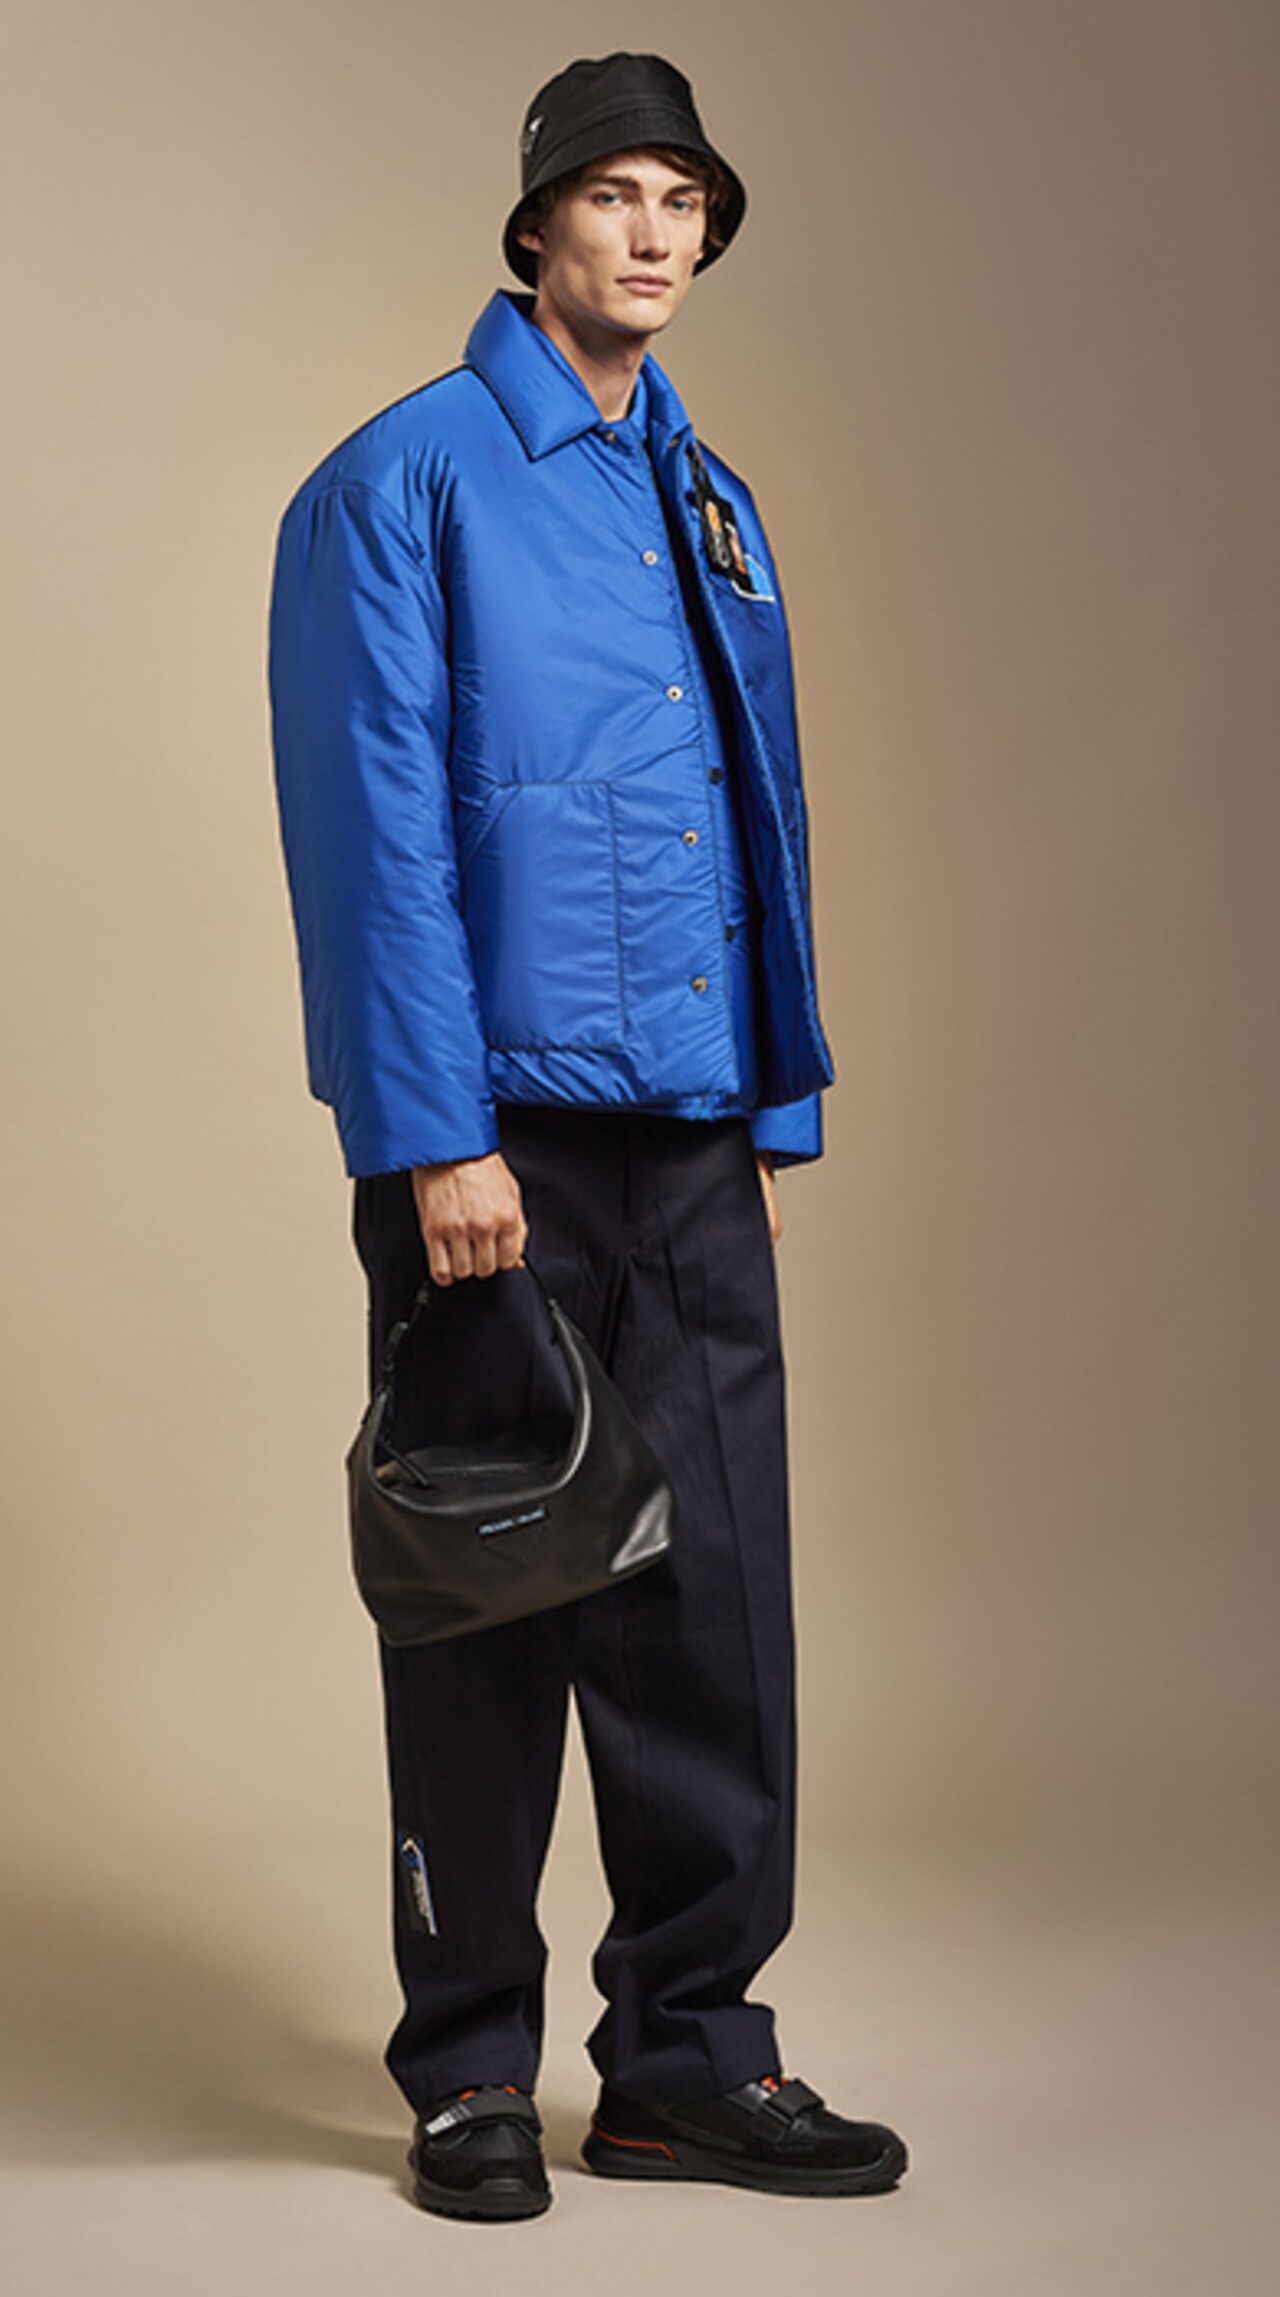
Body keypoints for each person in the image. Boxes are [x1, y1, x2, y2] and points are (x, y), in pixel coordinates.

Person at [268, 50, 908, 2223]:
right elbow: (371, 840)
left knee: (712, 1604)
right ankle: (468, 2070)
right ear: (535, 224)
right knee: (486, 1595)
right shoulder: (400, 483)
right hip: (495, 1147)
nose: (652, 232)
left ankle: (686, 2063)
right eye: (613, 193)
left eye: (683, 200)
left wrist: (772, 1115)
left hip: (695, 1139)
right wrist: (435, 1138)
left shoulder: (707, 497)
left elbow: (759, 816)